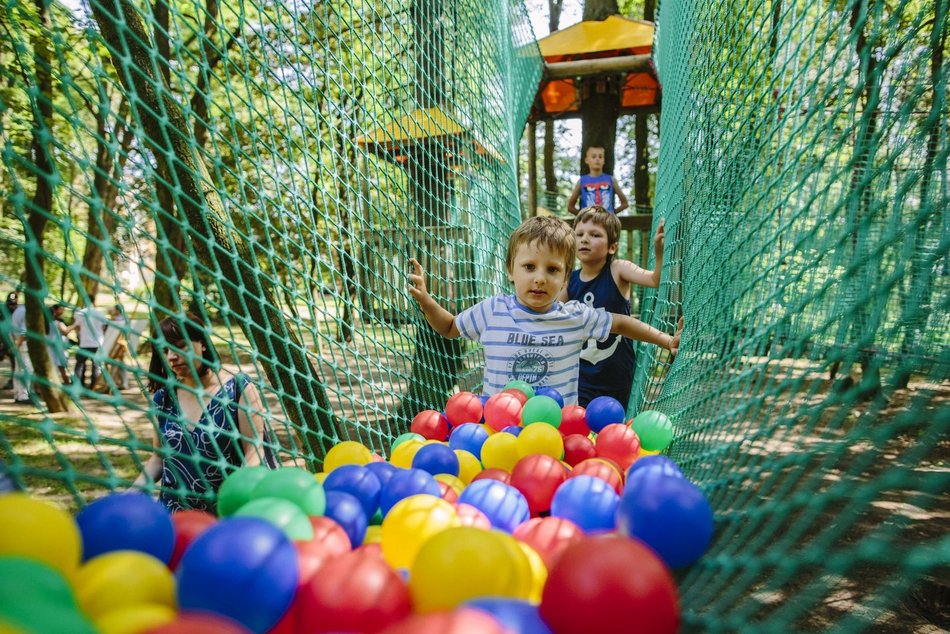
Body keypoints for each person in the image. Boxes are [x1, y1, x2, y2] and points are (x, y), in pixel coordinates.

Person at [408, 216, 681, 406]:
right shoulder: (493, 310)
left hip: (556, 435)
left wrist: (667, 340)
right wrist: (427, 301)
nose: (539, 278)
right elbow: (449, 327)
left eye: (552, 269)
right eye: (529, 267)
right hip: (497, 433)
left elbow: (620, 323)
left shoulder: (574, 316)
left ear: (565, 278)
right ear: (510, 270)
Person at [134, 312, 279, 512]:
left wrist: (237, 498)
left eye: (180, 346)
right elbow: (158, 457)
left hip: (225, 512)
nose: (171, 357)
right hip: (176, 515)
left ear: (202, 343)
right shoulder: (163, 398)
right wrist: (130, 494)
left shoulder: (239, 388)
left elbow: (253, 451)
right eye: (165, 350)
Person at [562, 206, 665, 408]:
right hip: (580, 374)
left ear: (612, 247)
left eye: (595, 235)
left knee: (612, 422)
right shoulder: (569, 280)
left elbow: (654, 280)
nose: (584, 239)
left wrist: (659, 253)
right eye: (579, 234)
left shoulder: (618, 269)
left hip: (616, 373)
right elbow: (555, 312)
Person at [566, 145, 629, 215]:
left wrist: (612, 215)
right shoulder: (582, 181)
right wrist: (583, 217)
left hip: (607, 221)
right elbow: (570, 207)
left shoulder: (611, 180)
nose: (597, 159)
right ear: (586, 160)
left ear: (604, 160)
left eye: (600, 157)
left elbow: (625, 204)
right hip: (588, 221)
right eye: (593, 156)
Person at [73, 300, 107, 390]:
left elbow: (77, 327)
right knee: (96, 366)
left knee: (79, 364)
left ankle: (78, 386)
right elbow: (104, 328)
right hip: (98, 343)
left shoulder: (80, 313)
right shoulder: (100, 314)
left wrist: (79, 335)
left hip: (84, 342)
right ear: (94, 302)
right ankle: (93, 387)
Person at [46, 303, 77, 385]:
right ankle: (67, 385)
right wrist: (75, 324)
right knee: (62, 368)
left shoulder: (44, 324)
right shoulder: (57, 323)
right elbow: (65, 332)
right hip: (59, 349)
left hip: (48, 348)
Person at [10, 299, 32, 404]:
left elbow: (11, 330)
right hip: (23, 344)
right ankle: (23, 396)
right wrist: (17, 345)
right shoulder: (27, 311)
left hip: (16, 342)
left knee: (18, 370)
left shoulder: (17, 311)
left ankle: (17, 394)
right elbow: (24, 332)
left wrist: (14, 344)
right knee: (26, 370)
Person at [0, 293, 18, 389]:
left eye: (14, 304)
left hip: (12, 340)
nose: (12, 306)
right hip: (3, 338)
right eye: (10, 304)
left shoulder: (18, 311)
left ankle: (12, 381)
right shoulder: (2, 310)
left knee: (14, 361)